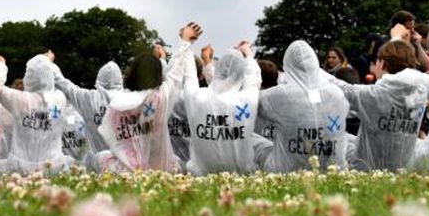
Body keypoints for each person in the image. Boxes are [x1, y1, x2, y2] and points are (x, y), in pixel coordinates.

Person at [92, 22, 203, 173]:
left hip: (126, 171)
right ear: (158, 76)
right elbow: (175, 72)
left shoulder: (116, 104)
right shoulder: (160, 98)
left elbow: (113, 140)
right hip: (160, 168)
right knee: (177, 161)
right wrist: (185, 41)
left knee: (99, 157)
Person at [256, 41, 350, 172]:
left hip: (287, 169)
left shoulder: (280, 94)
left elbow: (249, 104)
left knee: (250, 138)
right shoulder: (336, 93)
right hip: (333, 169)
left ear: (287, 65)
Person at [339, 40, 428, 171]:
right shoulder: (420, 94)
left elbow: (342, 89)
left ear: (382, 63)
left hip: (367, 170)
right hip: (403, 170)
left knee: (338, 138)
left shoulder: (376, 95)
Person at [182, 41, 262, 175]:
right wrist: (248, 54)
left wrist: (186, 43)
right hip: (242, 177)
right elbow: (253, 77)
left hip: (201, 177)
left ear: (218, 69)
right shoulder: (248, 99)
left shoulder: (197, 97)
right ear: (241, 74)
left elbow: (189, 76)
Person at [0, 53, 75, 175]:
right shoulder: (60, 98)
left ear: (28, 77)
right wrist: (48, 62)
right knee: (70, 161)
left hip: (21, 170)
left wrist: (0, 64)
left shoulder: (18, 99)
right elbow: (60, 80)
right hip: (53, 168)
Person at [53, 59, 124, 154]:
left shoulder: (89, 99)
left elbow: (64, 84)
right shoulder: (132, 101)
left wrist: (47, 62)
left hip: (100, 164)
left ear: (99, 79)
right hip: (130, 166)